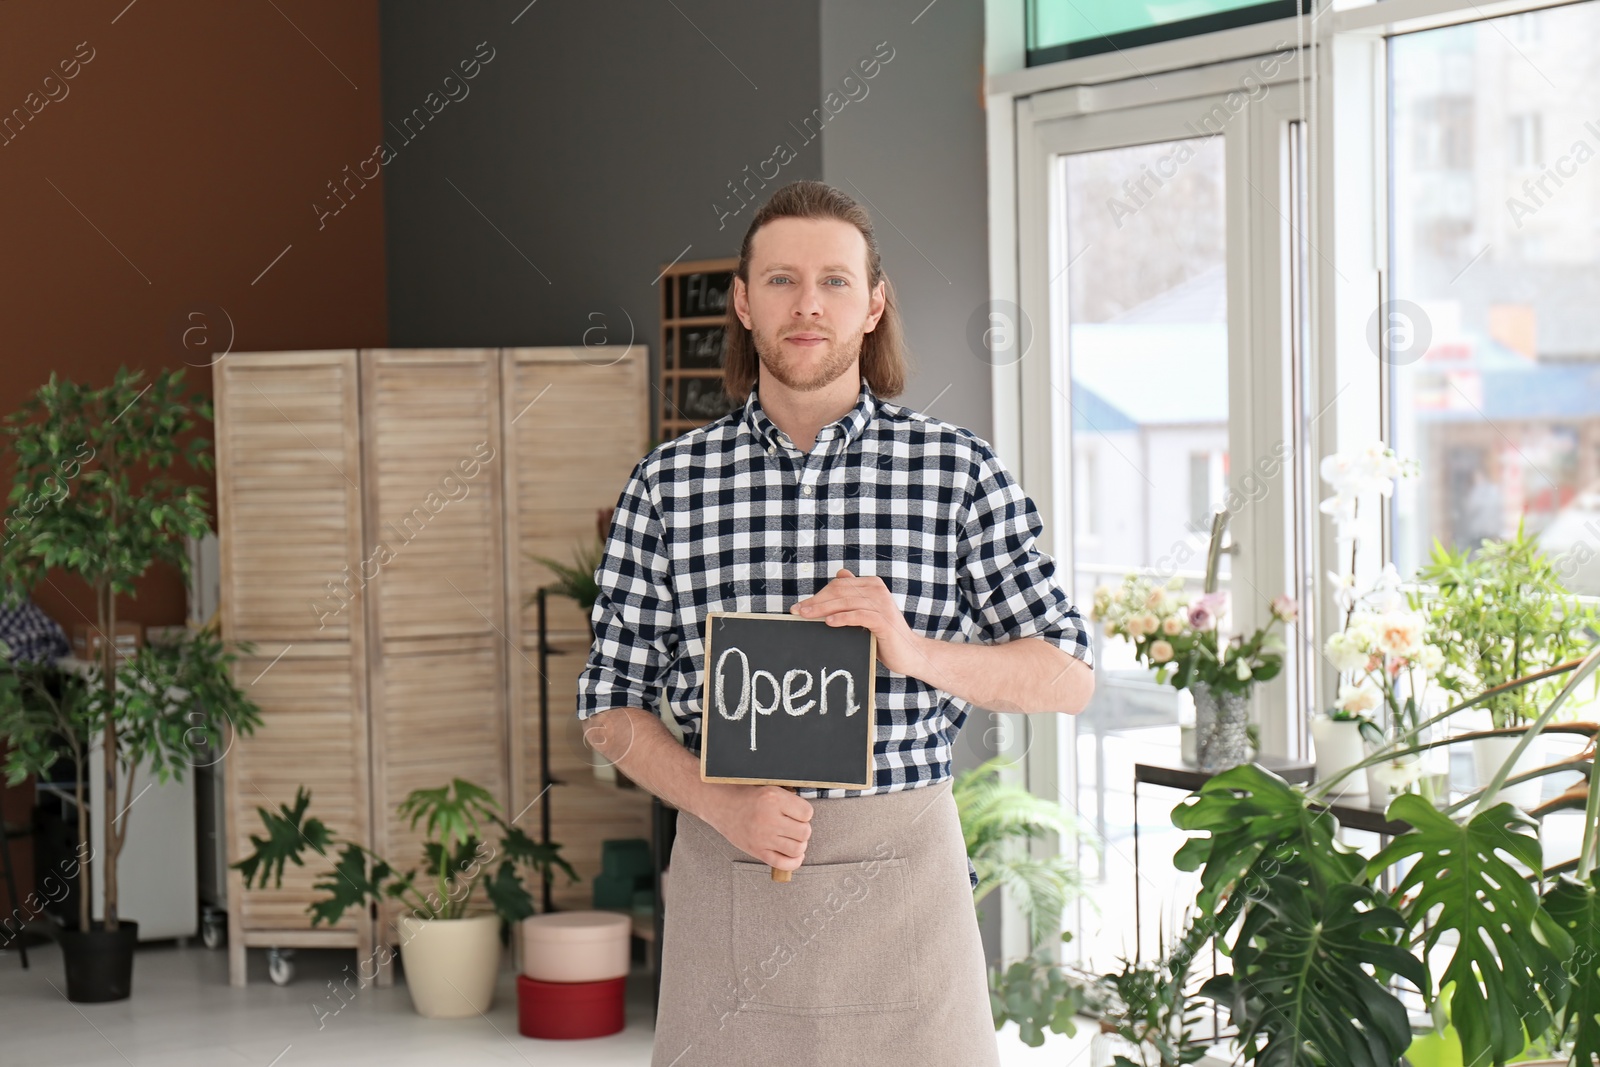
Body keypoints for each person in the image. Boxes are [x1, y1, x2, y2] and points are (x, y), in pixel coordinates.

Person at [575, 180, 1096, 1067]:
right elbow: (609, 706)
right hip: (728, 871)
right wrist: (717, 802)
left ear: (873, 304)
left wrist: (913, 647)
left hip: (906, 885)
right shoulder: (666, 487)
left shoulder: (956, 473)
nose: (807, 304)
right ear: (742, 302)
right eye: (780, 281)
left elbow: (1069, 672)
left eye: (834, 282)